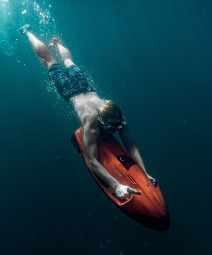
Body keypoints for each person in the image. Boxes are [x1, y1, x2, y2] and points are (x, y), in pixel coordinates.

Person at [20, 24, 153, 199]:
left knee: (69, 62)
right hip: (70, 91)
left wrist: (144, 174)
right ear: (100, 120)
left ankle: (57, 43)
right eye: (110, 129)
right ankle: (28, 32)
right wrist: (117, 185)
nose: (114, 131)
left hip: (85, 87)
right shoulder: (91, 123)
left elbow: (132, 146)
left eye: (116, 128)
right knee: (50, 61)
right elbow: (92, 161)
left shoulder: (119, 118)